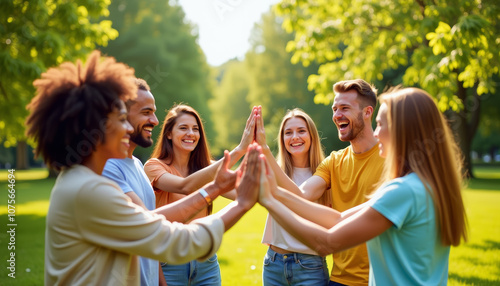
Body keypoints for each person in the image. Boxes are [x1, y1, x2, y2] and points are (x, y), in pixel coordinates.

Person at [25, 50, 261, 285]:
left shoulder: (83, 181)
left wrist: (213, 190)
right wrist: (241, 204)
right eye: (121, 119)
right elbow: (177, 242)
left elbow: (147, 220)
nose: (128, 128)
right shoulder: (89, 190)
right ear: (95, 127)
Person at [258, 87, 468, 285]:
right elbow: (338, 219)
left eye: (382, 124)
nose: (376, 133)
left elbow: (327, 242)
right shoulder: (422, 185)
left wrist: (269, 199)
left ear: (403, 130)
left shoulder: (404, 191)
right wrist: (275, 193)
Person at [256, 80, 384, 286]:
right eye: (335, 109)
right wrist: (264, 150)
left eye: (344, 108)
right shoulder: (334, 162)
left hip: (379, 278)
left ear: (367, 112)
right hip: (340, 279)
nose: (336, 115)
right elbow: (301, 197)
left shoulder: (391, 159)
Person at [144, 103, 255, 285]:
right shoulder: (154, 167)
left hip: (206, 263)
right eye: (183, 128)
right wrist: (240, 149)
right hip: (169, 263)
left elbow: (241, 194)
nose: (191, 133)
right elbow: (184, 186)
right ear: (169, 134)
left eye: (195, 129)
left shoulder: (207, 168)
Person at [101, 78, 166, 286]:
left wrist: (161, 281)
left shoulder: (137, 164)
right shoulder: (108, 167)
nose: (155, 121)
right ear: (122, 116)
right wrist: (212, 189)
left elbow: (149, 239)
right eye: (146, 113)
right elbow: (147, 221)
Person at [261, 108, 330, 285]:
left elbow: (299, 197)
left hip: (309, 266)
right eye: (288, 132)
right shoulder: (272, 171)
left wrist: (265, 150)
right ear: (282, 139)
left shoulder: (324, 174)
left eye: (301, 131)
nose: (294, 137)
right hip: (273, 264)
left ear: (312, 135)